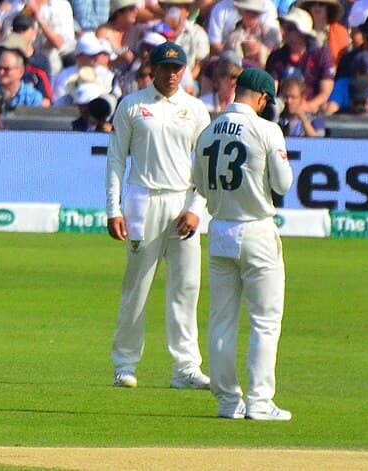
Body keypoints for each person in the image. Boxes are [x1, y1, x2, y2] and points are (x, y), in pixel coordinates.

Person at [105, 42, 211, 390]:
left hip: (183, 201)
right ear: (152, 69)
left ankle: (186, 367)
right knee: (137, 285)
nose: (171, 74)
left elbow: (205, 167)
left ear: (185, 69)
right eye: (165, 68)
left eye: (178, 68)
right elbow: (117, 160)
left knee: (186, 286)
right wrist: (113, 208)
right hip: (143, 199)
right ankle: (124, 363)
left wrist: (196, 209)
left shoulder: (196, 110)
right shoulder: (132, 106)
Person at [192, 67, 294, 421]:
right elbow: (282, 184)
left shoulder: (207, 131)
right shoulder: (267, 129)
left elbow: (201, 187)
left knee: (221, 319)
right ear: (263, 98)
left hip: (219, 229)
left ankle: (226, 402)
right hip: (256, 230)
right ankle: (260, 402)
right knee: (265, 321)